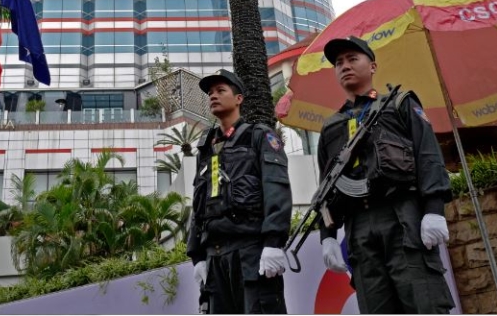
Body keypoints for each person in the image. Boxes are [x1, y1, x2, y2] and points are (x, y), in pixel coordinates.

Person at [317, 36, 454, 313]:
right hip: (359, 228)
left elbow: (427, 156)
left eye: (353, 59)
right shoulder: (331, 127)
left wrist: (434, 209)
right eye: (339, 63)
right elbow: (326, 187)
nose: (345, 66)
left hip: (402, 217)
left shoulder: (399, 103)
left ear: (373, 66)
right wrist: (327, 235)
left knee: (423, 300)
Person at [187, 69, 292, 314]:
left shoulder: (259, 136)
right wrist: (198, 256)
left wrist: (273, 242)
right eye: (210, 92)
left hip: (251, 252)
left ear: (238, 99)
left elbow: (276, 187)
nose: (213, 95)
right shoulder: (206, 148)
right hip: (215, 259)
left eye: (221, 90)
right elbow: (199, 202)